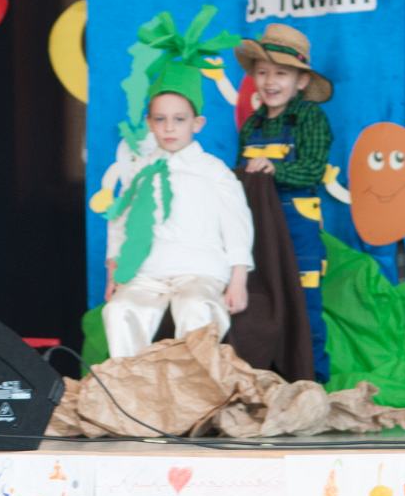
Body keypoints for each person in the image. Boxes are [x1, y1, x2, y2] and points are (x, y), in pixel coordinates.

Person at [103, 63, 253, 359]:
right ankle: (132, 381)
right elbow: (121, 223)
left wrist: (239, 280)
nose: (169, 128)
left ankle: (192, 380)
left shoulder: (214, 172)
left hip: (200, 269)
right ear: (149, 123)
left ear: (197, 123)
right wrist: (114, 272)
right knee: (119, 310)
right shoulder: (140, 171)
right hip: (148, 271)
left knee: (196, 306)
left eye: (179, 119)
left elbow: (237, 227)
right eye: (160, 119)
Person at [236, 24, 334, 381]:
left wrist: (273, 169)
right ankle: (266, 383)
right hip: (259, 233)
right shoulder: (251, 126)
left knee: (305, 309)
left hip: (298, 232)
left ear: (301, 81)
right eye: (263, 72)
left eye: (281, 73)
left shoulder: (310, 118)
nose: (270, 81)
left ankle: (312, 384)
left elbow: (312, 169)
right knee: (263, 305)